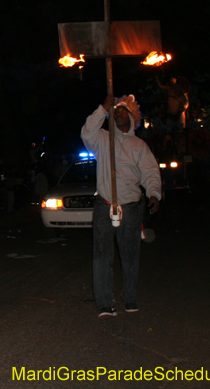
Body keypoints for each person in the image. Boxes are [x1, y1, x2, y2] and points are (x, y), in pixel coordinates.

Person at [81, 94, 162, 319]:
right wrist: (102, 108)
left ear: (133, 116)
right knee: (101, 256)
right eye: (115, 111)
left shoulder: (138, 145)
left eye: (123, 111)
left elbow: (150, 172)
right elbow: (86, 132)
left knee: (130, 255)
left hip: (131, 207)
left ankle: (130, 296)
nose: (119, 114)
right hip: (104, 204)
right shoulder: (102, 139)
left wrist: (154, 194)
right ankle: (105, 303)